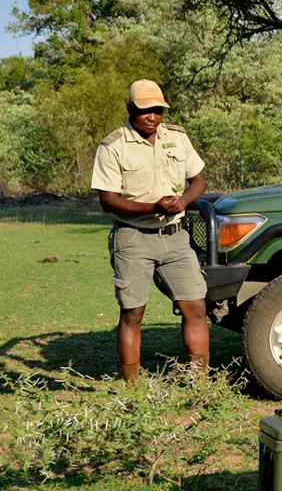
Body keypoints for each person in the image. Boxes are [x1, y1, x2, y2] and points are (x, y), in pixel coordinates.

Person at [90, 79, 209, 382]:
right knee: (133, 314)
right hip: (133, 237)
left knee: (195, 307)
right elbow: (107, 200)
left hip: (175, 236)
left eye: (158, 110)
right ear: (130, 108)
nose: (152, 117)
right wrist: (152, 207)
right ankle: (133, 390)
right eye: (145, 110)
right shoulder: (113, 145)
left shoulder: (177, 137)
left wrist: (184, 200)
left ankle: (201, 382)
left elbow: (199, 179)